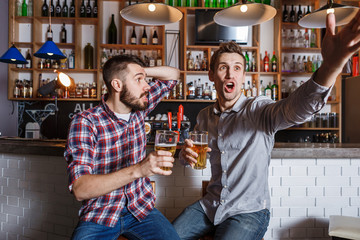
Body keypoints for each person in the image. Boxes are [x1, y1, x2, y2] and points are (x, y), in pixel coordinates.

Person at [173, 11, 360, 240]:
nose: (230, 73)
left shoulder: (258, 109)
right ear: (211, 74)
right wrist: (184, 154)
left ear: (244, 77)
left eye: (237, 68)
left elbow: (295, 109)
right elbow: (189, 155)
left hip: (249, 212)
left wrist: (330, 67)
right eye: (222, 67)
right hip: (210, 206)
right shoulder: (203, 116)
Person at [64, 54, 181, 240]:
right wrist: (139, 170)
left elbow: (174, 74)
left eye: (145, 79)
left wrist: (139, 71)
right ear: (117, 85)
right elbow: (80, 189)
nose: (147, 86)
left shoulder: (140, 108)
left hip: (141, 210)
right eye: (139, 80)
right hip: (100, 214)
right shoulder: (86, 122)